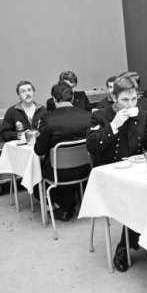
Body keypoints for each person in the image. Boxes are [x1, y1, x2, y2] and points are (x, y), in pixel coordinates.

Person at [86, 75, 147, 272]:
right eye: (125, 100)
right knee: (140, 198)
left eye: (134, 99)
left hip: (135, 173)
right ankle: (124, 248)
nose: (130, 104)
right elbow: (92, 146)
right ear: (114, 97)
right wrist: (114, 125)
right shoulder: (100, 116)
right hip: (109, 177)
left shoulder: (142, 115)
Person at [34, 82, 91, 221]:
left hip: (59, 173)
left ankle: (57, 204)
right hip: (86, 170)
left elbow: (39, 150)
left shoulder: (47, 119)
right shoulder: (87, 116)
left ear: (54, 99)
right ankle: (68, 204)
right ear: (72, 98)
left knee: (37, 168)